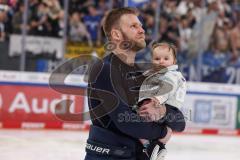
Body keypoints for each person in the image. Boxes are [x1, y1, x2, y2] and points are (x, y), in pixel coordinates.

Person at [85, 7, 186, 160]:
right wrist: (163, 132)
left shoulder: (143, 75)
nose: (142, 30)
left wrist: (163, 111)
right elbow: (125, 121)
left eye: (140, 25)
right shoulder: (104, 69)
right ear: (116, 34)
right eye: (134, 26)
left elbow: (180, 123)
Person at [134, 42, 187, 160]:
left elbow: (168, 87)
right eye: (157, 59)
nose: (161, 61)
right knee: (149, 127)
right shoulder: (154, 74)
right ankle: (156, 147)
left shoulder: (172, 75)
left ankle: (155, 146)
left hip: (163, 104)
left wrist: (158, 98)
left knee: (146, 123)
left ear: (174, 61)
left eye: (166, 58)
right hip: (155, 105)